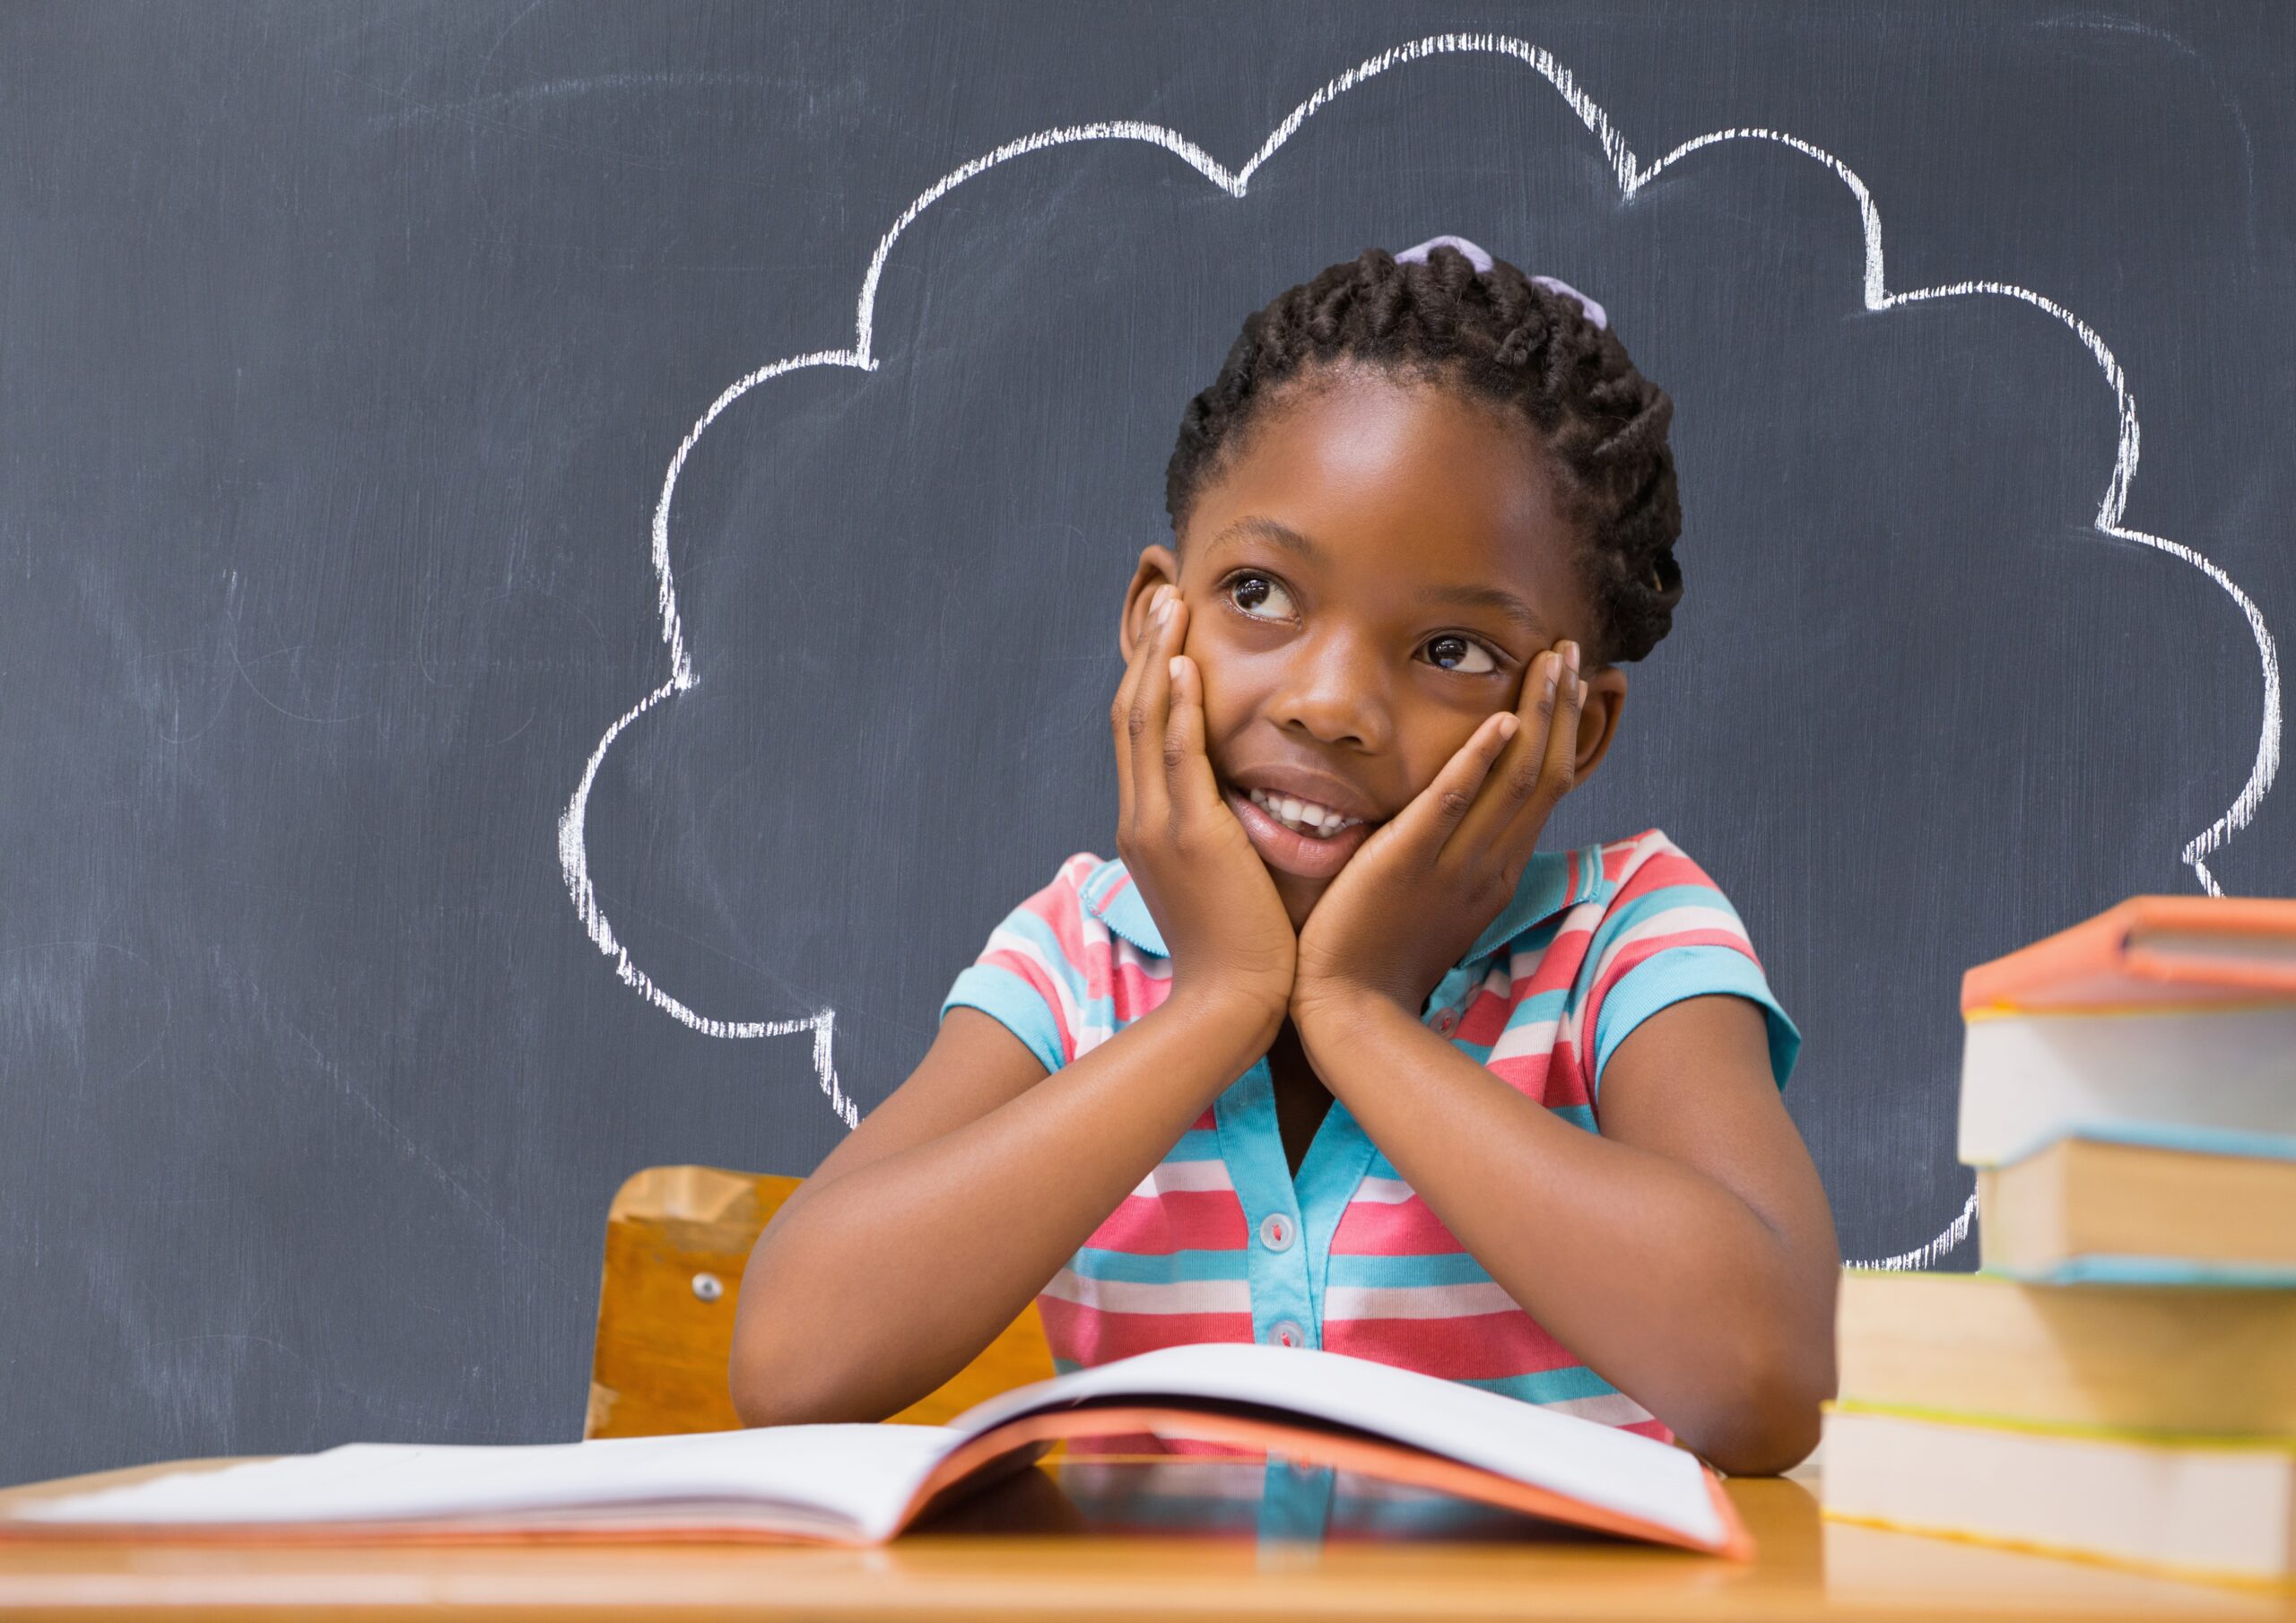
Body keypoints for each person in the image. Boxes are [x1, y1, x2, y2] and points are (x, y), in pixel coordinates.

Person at [728, 237, 1840, 1476]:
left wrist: (1363, 1014)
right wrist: (1217, 1001)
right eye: (1259, 591)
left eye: (1454, 651)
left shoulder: (1626, 942)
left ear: (1572, 725)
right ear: (1161, 615)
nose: (1329, 702)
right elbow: (790, 1357)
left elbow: (1762, 1378)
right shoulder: (1078, 958)